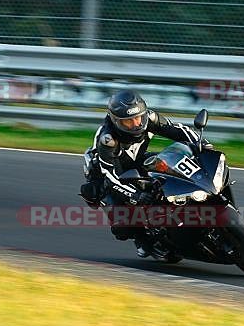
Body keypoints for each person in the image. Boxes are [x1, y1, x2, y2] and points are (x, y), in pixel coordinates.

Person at [80, 89, 208, 257]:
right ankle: (142, 239)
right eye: (129, 122)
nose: (136, 124)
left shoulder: (149, 118)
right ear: (116, 121)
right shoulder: (107, 140)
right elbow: (110, 176)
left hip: (138, 160)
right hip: (111, 174)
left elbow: (178, 130)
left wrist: (202, 144)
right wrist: (135, 195)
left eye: (138, 117)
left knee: (170, 164)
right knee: (123, 226)